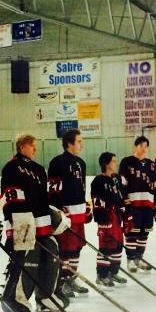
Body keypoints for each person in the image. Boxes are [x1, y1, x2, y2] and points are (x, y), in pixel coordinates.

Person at [0, 134, 68, 312]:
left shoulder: (38, 169)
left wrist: (54, 218)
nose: (35, 149)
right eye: (32, 146)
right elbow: (10, 198)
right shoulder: (11, 167)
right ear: (22, 146)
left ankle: (45, 296)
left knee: (50, 250)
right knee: (23, 260)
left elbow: (43, 200)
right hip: (22, 222)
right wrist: (14, 226)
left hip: (41, 223)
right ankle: (14, 298)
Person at [47, 129, 91, 302]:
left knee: (77, 246)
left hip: (79, 212)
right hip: (66, 213)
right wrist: (58, 211)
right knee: (66, 248)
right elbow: (53, 190)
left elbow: (82, 187)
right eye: (79, 141)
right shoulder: (57, 162)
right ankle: (61, 281)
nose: (82, 144)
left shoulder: (81, 162)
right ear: (70, 143)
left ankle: (71, 278)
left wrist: (85, 205)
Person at [119, 136, 156, 273]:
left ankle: (139, 259)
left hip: (148, 204)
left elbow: (155, 186)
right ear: (136, 146)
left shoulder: (151, 164)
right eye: (141, 146)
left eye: (145, 146)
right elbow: (122, 183)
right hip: (133, 204)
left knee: (144, 233)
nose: (143, 149)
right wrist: (124, 202)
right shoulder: (127, 162)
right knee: (132, 232)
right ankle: (131, 260)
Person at [91, 152, 127, 288]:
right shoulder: (98, 181)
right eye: (113, 161)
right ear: (106, 164)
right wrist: (102, 220)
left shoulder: (116, 178)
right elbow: (97, 201)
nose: (115, 163)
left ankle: (113, 272)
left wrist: (126, 213)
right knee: (106, 246)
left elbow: (121, 196)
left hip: (117, 216)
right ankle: (102, 275)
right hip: (106, 217)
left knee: (118, 245)